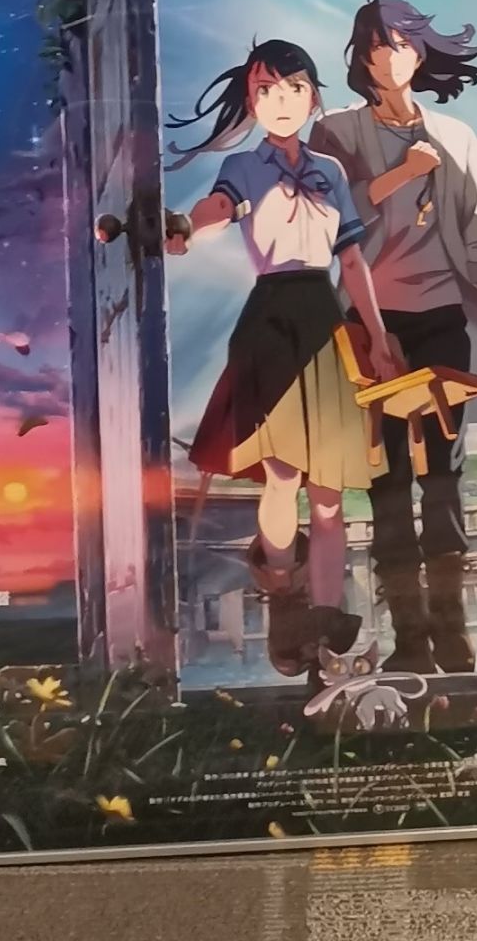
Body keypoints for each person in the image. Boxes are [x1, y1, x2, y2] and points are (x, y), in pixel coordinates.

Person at [166, 38, 398, 676]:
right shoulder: (243, 167)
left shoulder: (331, 172)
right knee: (283, 474)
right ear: (251, 101)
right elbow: (218, 209)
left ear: (313, 95)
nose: (282, 100)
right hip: (270, 321)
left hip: (325, 321)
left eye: (294, 88)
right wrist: (185, 227)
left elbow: (352, 260)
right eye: (266, 90)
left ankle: (326, 616)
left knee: (328, 493)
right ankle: (283, 596)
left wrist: (378, 336)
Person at [312, 0, 477, 674]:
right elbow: (328, 219)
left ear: (420, 51)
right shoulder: (336, 133)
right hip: (369, 323)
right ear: (360, 56)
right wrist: (403, 173)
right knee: (389, 478)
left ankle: (452, 635)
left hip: (441, 320)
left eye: (399, 43)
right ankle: (409, 641)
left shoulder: (457, 136)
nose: (387, 56)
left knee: (445, 476)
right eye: (374, 45)